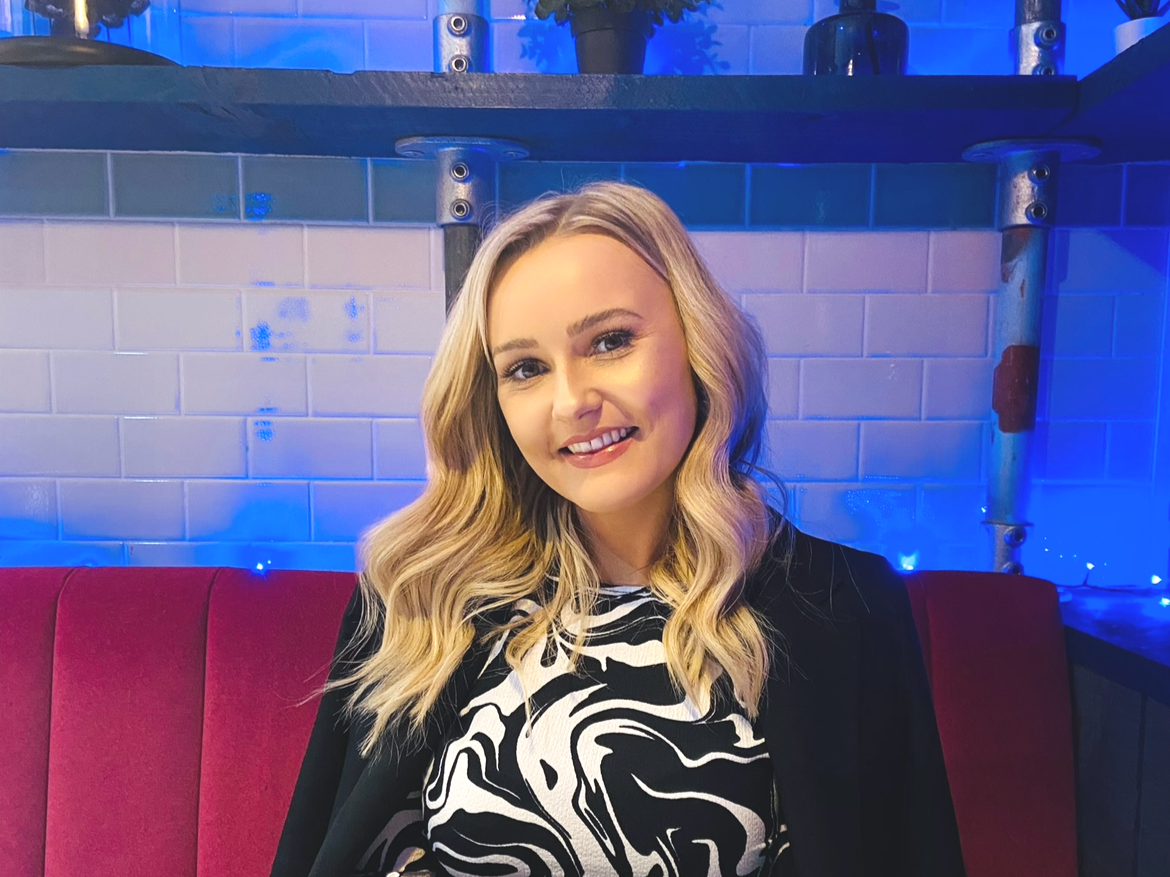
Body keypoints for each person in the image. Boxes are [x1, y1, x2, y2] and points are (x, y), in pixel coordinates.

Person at [270, 181, 965, 877]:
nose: (572, 401)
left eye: (610, 341)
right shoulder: (417, 600)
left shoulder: (847, 605)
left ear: (699, 344)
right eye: (526, 368)